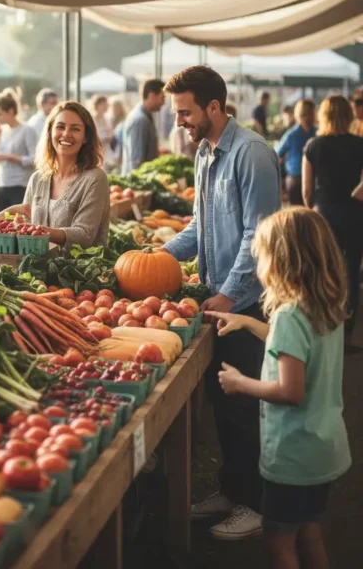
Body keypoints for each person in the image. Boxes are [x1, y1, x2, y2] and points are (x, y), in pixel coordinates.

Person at [162, 65, 281, 540]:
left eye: (185, 112)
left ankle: (255, 504)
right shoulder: (206, 154)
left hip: (247, 305)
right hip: (219, 302)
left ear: (214, 107)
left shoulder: (251, 154)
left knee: (244, 405)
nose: (179, 122)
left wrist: (229, 294)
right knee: (222, 398)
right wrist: (155, 259)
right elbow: (198, 227)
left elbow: (259, 235)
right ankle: (233, 491)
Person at [209, 208, 350, 569]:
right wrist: (246, 322)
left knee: (278, 542)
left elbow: (291, 390)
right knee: (310, 534)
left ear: (282, 261)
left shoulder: (289, 316)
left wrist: (242, 384)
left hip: (292, 454)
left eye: (263, 256)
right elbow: (294, 351)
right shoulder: (325, 308)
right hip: (322, 447)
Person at [303, 95, 363, 344]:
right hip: (354, 212)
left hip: (323, 212)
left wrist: (312, 209)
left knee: (325, 267)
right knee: (351, 266)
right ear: (349, 116)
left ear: (323, 116)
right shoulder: (360, 144)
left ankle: (325, 320)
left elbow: (306, 189)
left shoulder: (313, 145)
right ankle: (348, 322)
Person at [24, 101, 110, 251]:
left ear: (85, 137)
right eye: (60, 127)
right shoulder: (37, 179)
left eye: (75, 129)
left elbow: (84, 235)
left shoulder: (95, 179)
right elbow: (24, 222)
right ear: (50, 132)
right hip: (35, 271)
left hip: (78, 271)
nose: (66, 134)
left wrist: (40, 231)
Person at [0, 89, 39, 212]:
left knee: (17, 223)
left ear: (10, 111)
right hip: (2, 184)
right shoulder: (0, 131)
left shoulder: (27, 130)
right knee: (0, 224)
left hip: (20, 186)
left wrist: (9, 157)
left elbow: (35, 159)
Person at [121, 79, 165, 175]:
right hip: (137, 181)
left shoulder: (146, 117)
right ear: (152, 96)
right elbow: (136, 160)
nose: (164, 102)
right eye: (162, 97)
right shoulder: (140, 120)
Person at [277, 99, 316, 206]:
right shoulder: (317, 134)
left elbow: (277, 155)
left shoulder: (291, 135)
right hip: (306, 179)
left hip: (301, 179)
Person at [105, 97, 127, 170]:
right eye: (114, 107)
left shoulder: (125, 119)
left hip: (121, 145)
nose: (116, 110)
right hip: (110, 146)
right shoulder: (108, 119)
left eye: (118, 107)